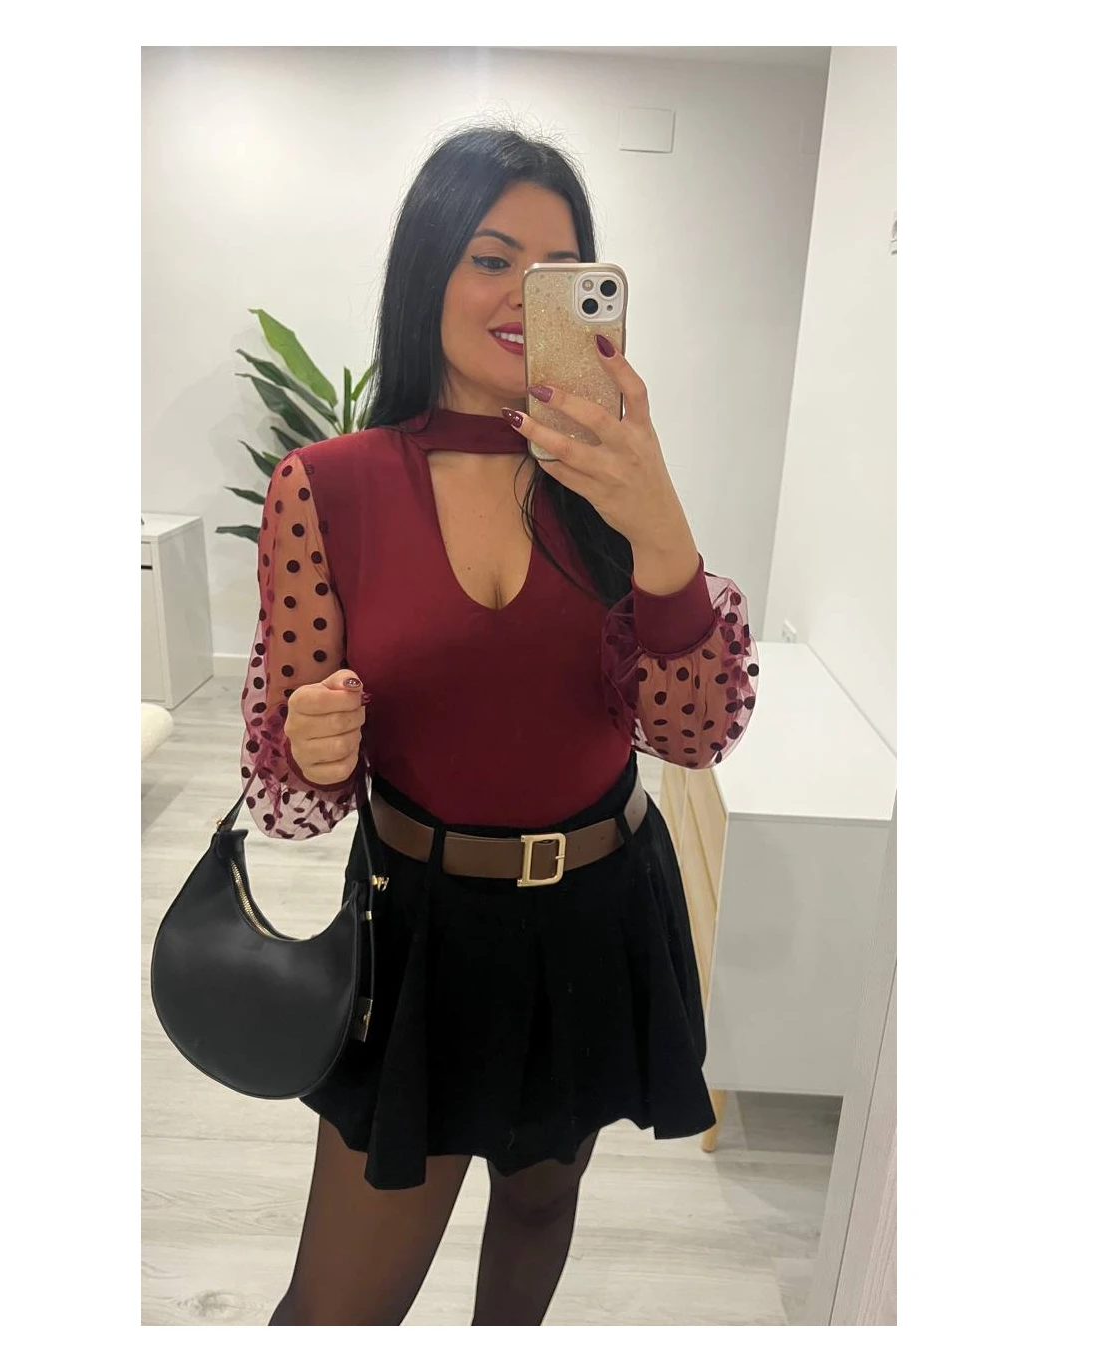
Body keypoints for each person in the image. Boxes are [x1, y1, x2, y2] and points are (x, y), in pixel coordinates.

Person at [240, 124, 759, 1326]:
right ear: (426, 269)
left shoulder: (607, 475)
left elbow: (692, 733)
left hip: (596, 909)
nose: (525, 296)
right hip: (420, 930)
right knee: (334, 1310)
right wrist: (310, 742)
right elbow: (298, 794)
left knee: (537, 1205)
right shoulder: (329, 483)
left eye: (559, 271)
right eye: (491, 259)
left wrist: (659, 518)